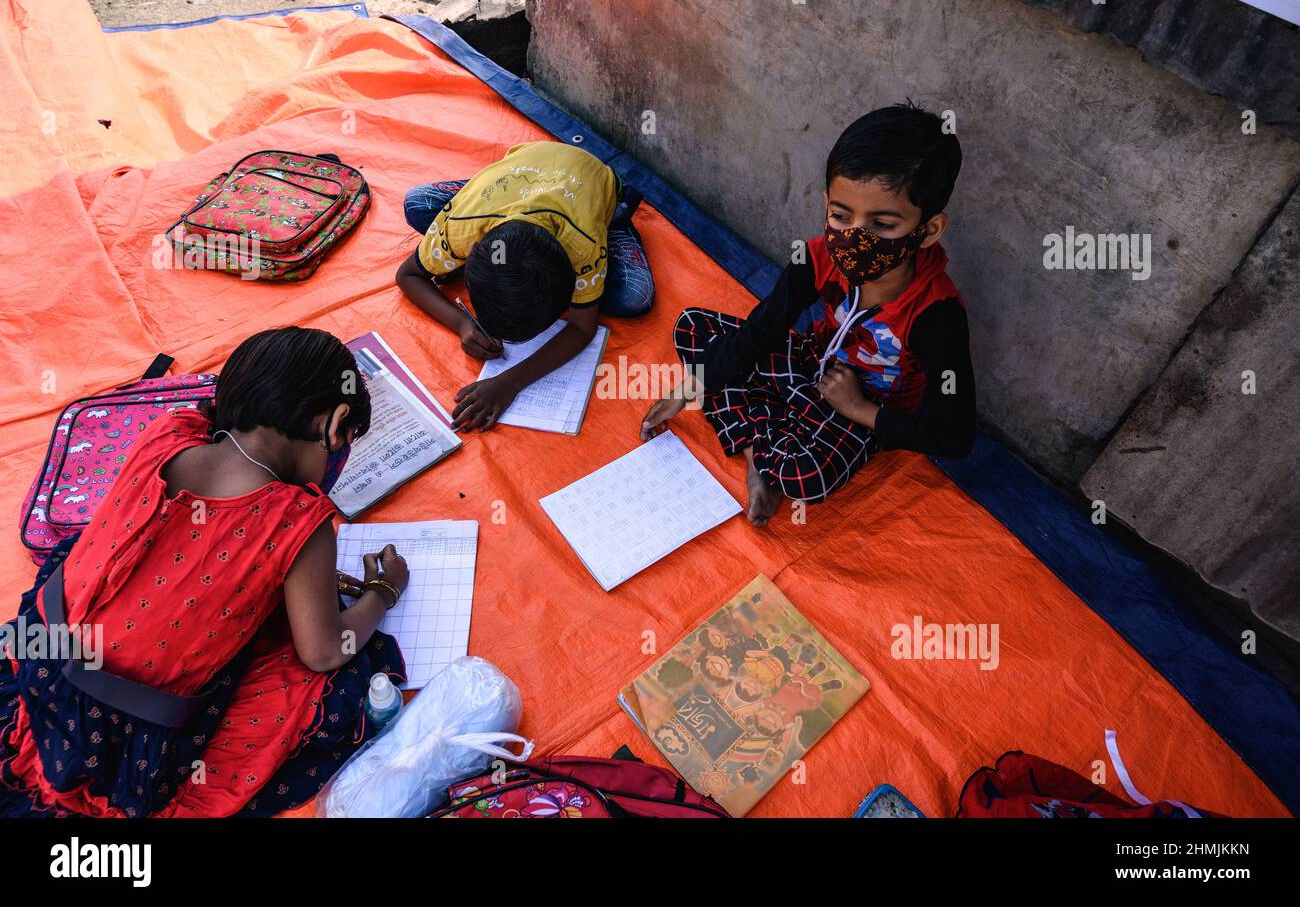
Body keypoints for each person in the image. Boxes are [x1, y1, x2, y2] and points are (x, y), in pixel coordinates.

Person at [0, 327, 409, 817]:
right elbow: (324, 651)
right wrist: (382, 592)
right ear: (335, 422)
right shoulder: (300, 520)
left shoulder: (168, 434)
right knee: (340, 673)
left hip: (38, 660)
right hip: (117, 735)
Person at [640, 103, 975, 526]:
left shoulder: (935, 315)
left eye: (883, 225)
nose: (854, 237)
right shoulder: (818, 257)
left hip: (858, 412)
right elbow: (763, 330)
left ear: (928, 230)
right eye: (840, 215)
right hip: (808, 365)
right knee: (693, 326)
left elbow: (955, 435)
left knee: (803, 475)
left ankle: (764, 435)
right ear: (826, 203)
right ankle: (756, 454)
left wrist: (858, 408)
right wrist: (690, 387)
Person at [396, 140, 654, 431]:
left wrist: (510, 382)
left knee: (634, 297)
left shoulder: (582, 246)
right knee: (416, 203)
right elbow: (406, 275)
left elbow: (582, 326)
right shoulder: (465, 226)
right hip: (520, 177)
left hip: (591, 183)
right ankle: (495, 184)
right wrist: (462, 325)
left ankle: (614, 221)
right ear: (474, 253)